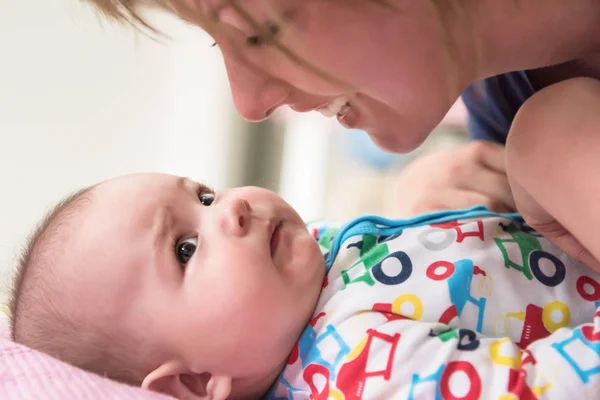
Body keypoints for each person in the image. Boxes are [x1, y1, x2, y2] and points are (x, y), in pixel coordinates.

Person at [7, 144, 600, 399]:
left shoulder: (308, 281)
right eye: (185, 249)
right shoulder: (355, 374)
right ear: (192, 383)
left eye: (205, 196)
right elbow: (544, 387)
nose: (231, 207)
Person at [83, 0, 600, 264]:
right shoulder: (501, 102)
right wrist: (450, 228)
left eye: (256, 33)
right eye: (220, 45)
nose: (249, 103)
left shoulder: (533, 124)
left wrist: (551, 144)